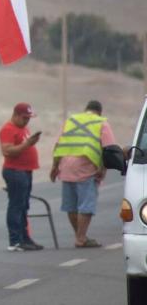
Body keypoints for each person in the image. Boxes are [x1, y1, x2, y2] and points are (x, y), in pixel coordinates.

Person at [50, 100, 115, 248]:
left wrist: (55, 166)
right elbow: (109, 149)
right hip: (86, 168)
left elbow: (58, 144)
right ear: (100, 112)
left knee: (71, 206)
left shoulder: (71, 120)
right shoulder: (101, 122)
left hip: (66, 167)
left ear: (86, 109)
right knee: (86, 205)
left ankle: (80, 236)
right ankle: (80, 238)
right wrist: (103, 168)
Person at [0, 102, 44, 251]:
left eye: (29, 118)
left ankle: (25, 238)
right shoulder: (7, 129)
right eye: (24, 118)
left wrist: (30, 143)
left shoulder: (23, 128)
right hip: (14, 171)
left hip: (25, 170)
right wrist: (27, 144)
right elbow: (7, 151)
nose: (27, 121)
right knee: (16, 205)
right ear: (16, 115)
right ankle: (15, 240)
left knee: (24, 205)